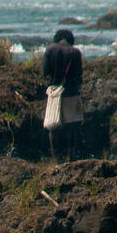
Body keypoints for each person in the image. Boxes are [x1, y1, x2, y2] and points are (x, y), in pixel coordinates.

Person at [42, 28, 84, 161]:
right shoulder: (76, 52)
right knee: (72, 127)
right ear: (70, 39)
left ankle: (56, 160)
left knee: (53, 127)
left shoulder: (50, 49)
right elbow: (79, 76)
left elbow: (44, 71)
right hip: (71, 92)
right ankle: (71, 159)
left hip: (55, 93)